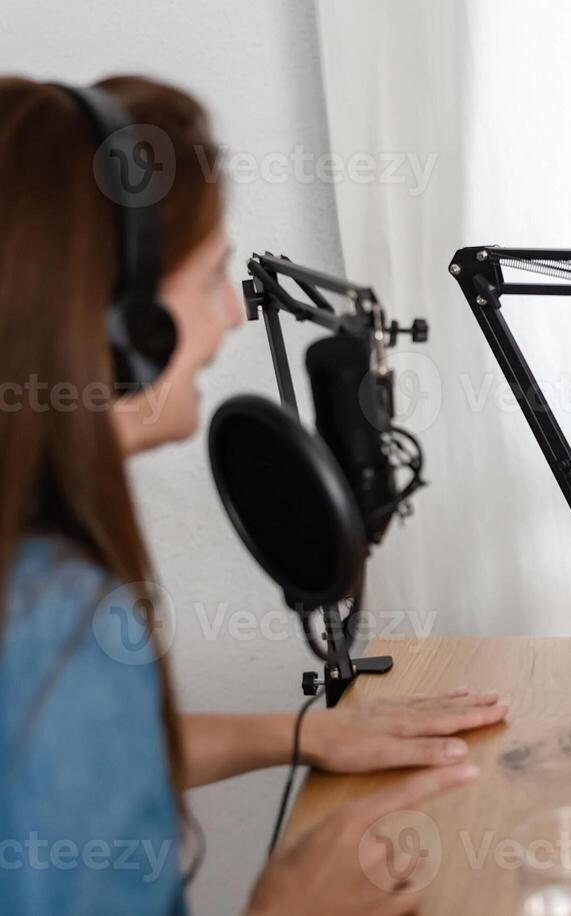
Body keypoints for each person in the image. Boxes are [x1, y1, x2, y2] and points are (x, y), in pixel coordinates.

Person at [0, 75, 508, 914]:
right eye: (210, 279)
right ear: (124, 329)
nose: (232, 318)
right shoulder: (57, 626)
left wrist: (302, 733)